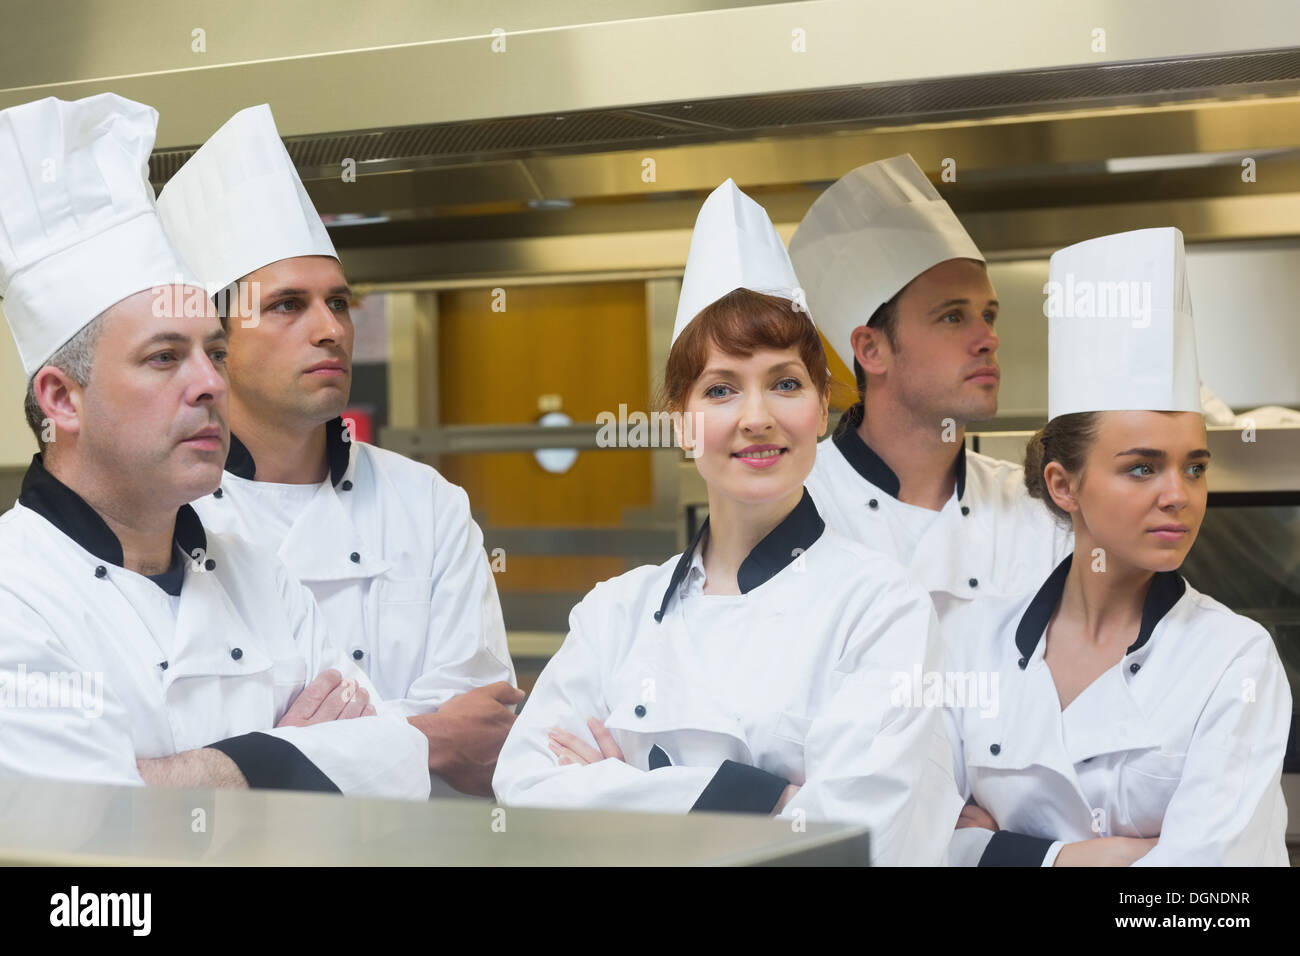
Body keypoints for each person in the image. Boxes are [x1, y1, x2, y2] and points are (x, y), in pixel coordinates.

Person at [492, 180, 962, 865]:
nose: (756, 417)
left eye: (785, 382)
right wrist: (767, 799)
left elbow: (858, 845)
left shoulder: (882, 611)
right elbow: (525, 791)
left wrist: (617, 785)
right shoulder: (615, 613)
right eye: (720, 389)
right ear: (683, 424)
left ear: (824, 402)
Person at [0, 93, 429, 799]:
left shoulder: (259, 577)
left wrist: (170, 780)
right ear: (61, 400)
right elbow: (81, 826)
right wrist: (283, 756)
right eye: (165, 357)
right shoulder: (19, 594)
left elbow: (397, 767)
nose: (209, 384)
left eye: (216, 351)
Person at [156, 105, 521, 796]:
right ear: (215, 338)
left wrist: (293, 752)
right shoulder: (168, 518)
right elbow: (180, 755)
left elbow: (479, 736)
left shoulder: (428, 504)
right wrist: (419, 738)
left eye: (340, 303)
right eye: (289, 305)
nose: (331, 329)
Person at [943, 227, 1291, 866]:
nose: (1178, 495)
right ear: (1063, 484)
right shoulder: (971, 646)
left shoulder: (1234, 660)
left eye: (1194, 466)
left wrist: (1002, 852)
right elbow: (916, 845)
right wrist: (1104, 857)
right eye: (1141, 467)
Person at [790, 155, 1072, 622]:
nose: (988, 339)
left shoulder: (1038, 512)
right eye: (953, 316)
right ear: (872, 350)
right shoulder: (797, 506)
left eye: (989, 315)